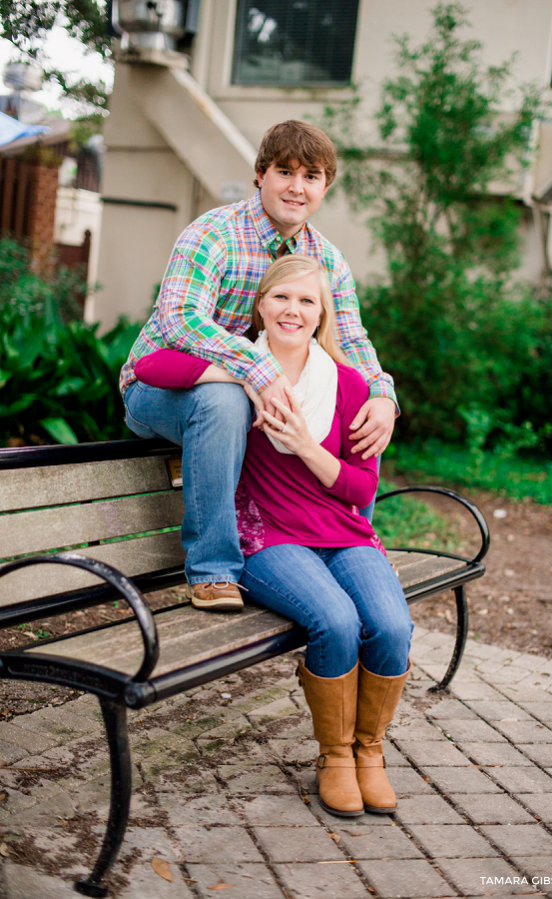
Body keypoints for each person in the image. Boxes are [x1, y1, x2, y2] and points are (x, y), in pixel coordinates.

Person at [134, 255, 413, 819]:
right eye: (282, 297)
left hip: (343, 532)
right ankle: (335, 756)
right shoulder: (243, 367)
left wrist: (308, 444)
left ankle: (370, 752)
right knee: (334, 621)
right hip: (269, 537)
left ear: (322, 315)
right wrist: (240, 374)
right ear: (259, 306)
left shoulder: (348, 384)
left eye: (307, 301)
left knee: (391, 626)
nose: (293, 310)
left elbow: (360, 490)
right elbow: (152, 369)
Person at [121, 120, 397, 612]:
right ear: (260, 175)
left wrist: (382, 395)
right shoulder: (213, 233)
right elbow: (180, 321)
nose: (297, 187)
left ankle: (351, 553)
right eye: (284, 172)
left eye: (311, 176)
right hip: (165, 388)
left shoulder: (327, 261)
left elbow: (350, 338)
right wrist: (257, 368)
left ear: (325, 187)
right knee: (225, 400)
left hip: (258, 397)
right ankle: (213, 571)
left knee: (359, 408)